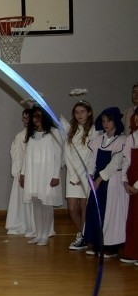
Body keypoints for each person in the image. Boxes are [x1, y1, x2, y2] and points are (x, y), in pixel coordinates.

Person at [83, 107, 127, 259]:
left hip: (111, 182)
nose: (106, 124)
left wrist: (100, 179)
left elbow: (115, 164)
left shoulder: (121, 141)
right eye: (103, 121)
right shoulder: (97, 141)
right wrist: (90, 176)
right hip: (96, 182)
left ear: (115, 121)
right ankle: (97, 242)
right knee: (95, 211)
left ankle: (111, 246)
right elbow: (91, 161)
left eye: (109, 120)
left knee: (111, 213)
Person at [19, 105, 64, 246]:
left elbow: (58, 155)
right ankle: (38, 234)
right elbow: (27, 156)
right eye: (34, 116)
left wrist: (56, 175)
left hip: (48, 173)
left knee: (47, 204)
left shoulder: (54, 132)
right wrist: (23, 174)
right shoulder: (31, 134)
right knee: (36, 204)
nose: (36, 119)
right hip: (33, 173)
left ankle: (45, 234)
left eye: (39, 116)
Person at [61, 101, 98, 250]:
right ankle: (84, 234)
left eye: (83, 111)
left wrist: (83, 175)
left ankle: (84, 236)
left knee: (84, 206)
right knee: (72, 208)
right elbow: (67, 153)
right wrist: (73, 175)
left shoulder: (94, 131)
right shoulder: (71, 131)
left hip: (86, 174)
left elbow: (91, 156)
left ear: (89, 113)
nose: (79, 115)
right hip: (72, 173)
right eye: (77, 112)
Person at [6, 108, 35, 237]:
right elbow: (16, 154)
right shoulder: (20, 136)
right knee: (21, 200)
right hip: (22, 173)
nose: (24, 121)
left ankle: (34, 225)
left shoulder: (38, 136)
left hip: (34, 173)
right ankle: (22, 224)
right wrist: (18, 172)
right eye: (23, 118)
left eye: (26, 118)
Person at [121, 121, 138, 264]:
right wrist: (125, 181)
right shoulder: (131, 138)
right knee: (133, 218)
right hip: (132, 182)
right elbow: (126, 160)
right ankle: (133, 251)